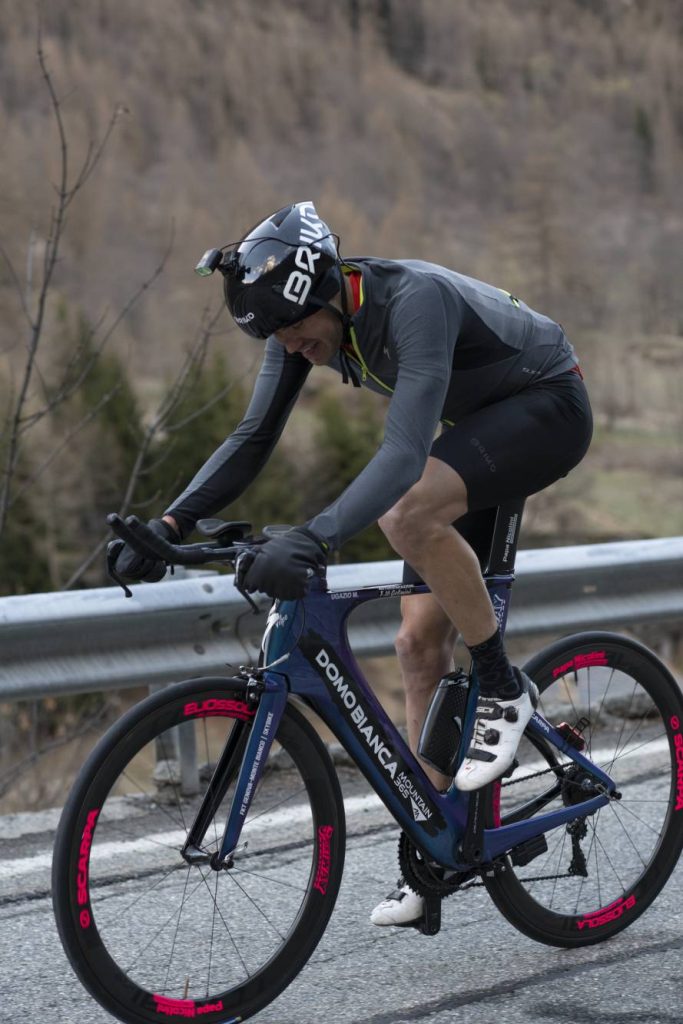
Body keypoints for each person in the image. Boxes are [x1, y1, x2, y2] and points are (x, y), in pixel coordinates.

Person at [113, 200, 593, 928]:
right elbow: (252, 437)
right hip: (478, 431)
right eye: (275, 336)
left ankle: (501, 687)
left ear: (325, 291)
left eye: (296, 331)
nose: (290, 346)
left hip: (547, 408)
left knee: (408, 514)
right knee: (413, 643)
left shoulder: (413, 302)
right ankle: (436, 843)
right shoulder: (298, 323)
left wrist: (316, 536)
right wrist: (171, 522)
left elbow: (403, 456)